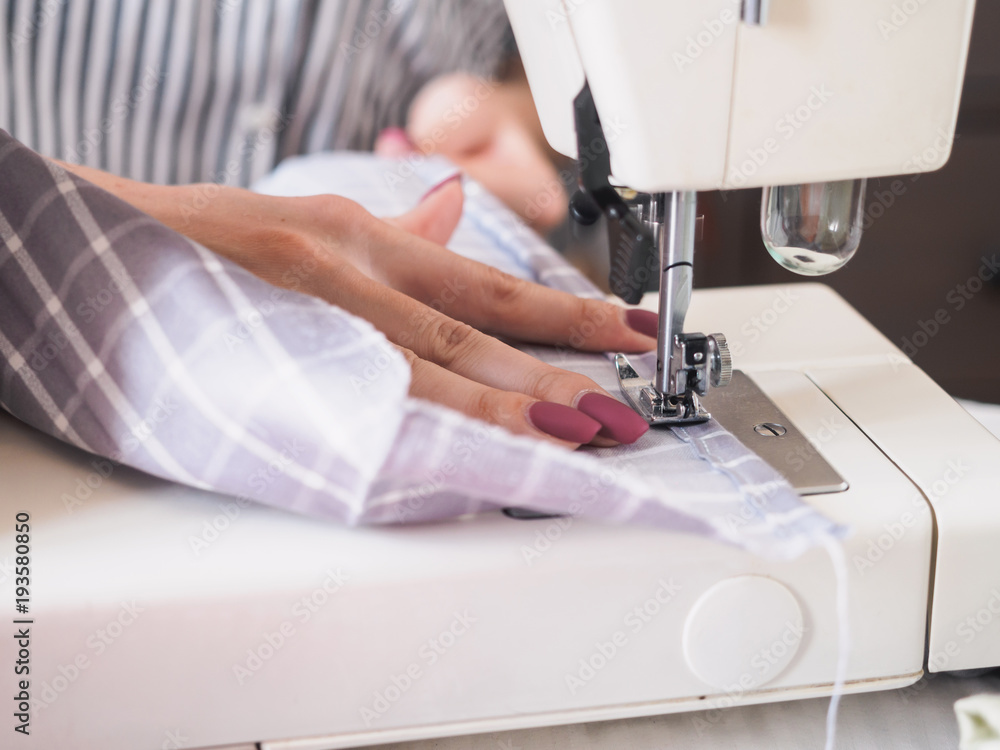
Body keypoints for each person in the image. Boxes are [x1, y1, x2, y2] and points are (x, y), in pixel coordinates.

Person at [1, 0, 657, 447]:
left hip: (418, 292)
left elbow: (554, 51)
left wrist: (518, 117)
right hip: (50, 341)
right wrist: (116, 230)